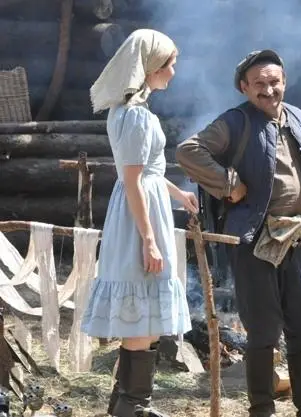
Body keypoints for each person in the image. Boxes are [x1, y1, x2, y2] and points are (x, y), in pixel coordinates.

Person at [176, 50, 301, 417]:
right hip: (254, 239)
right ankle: (262, 409)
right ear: (244, 88)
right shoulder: (235, 122)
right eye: (259, 84)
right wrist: (228, 183)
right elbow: (188, 152)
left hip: (295, 237)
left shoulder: (297, 117)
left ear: (285, 82)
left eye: (274, 82)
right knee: (263, 327)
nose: (268, 90)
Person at [81, 29, 199, 417]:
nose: (173, 72)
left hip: (143, 208)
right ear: (151, 67)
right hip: (138, 219)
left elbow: (147, 172)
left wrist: (178, 194)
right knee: (142, 312)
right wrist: (149, 240)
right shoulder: (134, 117)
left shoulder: (131, 113)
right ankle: (134, 405)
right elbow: (133, 180)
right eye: (169, 64)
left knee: (145, 310)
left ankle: (124, 403)